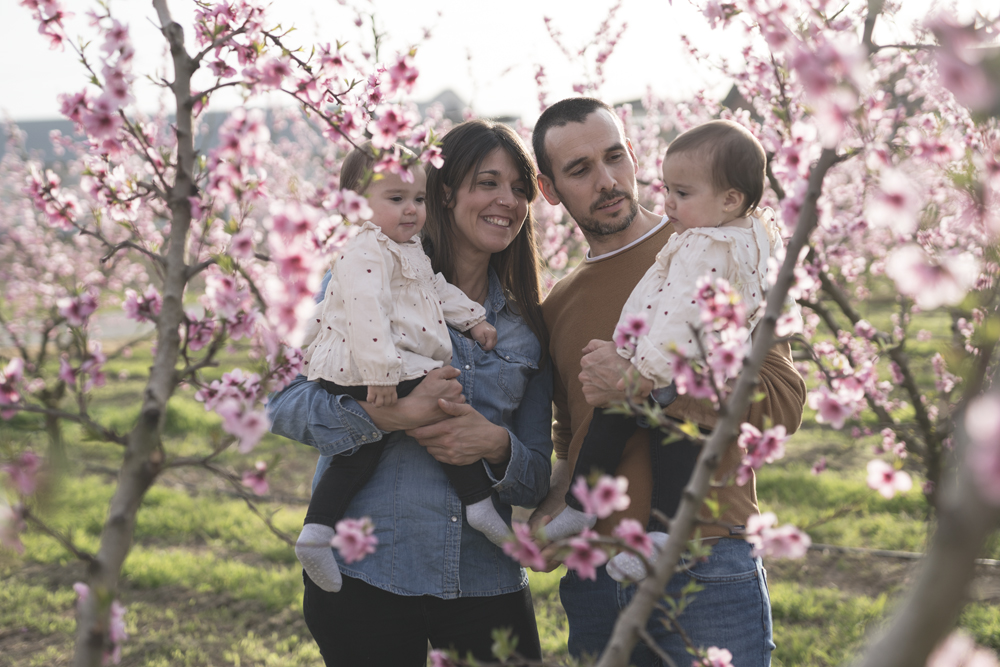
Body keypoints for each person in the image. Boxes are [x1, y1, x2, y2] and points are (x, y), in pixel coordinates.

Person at [529, 98, 807, 667]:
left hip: (704, 559)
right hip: (598, 573)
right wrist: (554, 509)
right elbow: (570, 433)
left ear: (634, 156)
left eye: (614, 157)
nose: (607, 181)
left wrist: (648, 386)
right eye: (580, 170)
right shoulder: (556, 306)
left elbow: (781, 403)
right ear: (550, 189)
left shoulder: (719, 250)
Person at [268, 118, 552, 667]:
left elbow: (537, 475)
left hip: (484, 581)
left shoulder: (523, 328)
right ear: (444, 192)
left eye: (520, 188)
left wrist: (494, 444)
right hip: (368, 576)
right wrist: (388, 416)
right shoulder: (366, 273)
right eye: (488, 182)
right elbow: (281, 403)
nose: (508, 201)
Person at [295, 143, 510, 594]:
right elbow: (365, 308)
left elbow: (434, 288)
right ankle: (477, 502)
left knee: (360, 450)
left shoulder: (405, 248)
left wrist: (473, 318)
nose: (411, 210)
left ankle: (316, 530)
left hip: (378, 361)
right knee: (445, 398)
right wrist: (382, 372)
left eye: (418, 199)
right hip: (362, 362)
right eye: (396, 199)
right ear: (355, 205)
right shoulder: (362, 251)